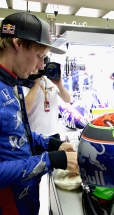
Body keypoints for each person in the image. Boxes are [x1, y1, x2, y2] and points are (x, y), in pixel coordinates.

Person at [0, 12, 78, 214]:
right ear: (17, 43)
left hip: (26, 199)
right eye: (39, 56)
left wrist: (54, 144)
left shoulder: (13, 83)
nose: (42, 66)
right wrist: (51, 160)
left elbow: (17, 134)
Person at [23, 66, 71, 140]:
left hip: (54, 134)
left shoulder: (49, 81)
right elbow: (26, 109)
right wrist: (36, 84)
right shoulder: (26, 84)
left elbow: (67, 99)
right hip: (36, 136)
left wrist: (60, 85)